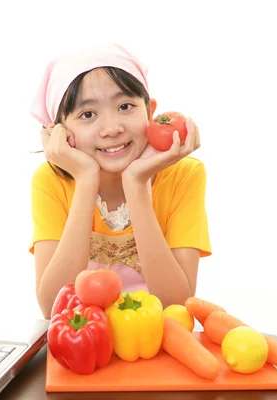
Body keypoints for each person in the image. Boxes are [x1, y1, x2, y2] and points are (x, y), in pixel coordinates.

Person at [28, 43, 211, 319]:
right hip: (84, 348)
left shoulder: (183, 175)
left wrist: (136, 184)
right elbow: (54, 308)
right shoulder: (51, 181)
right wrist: (86, 179)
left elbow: (176, 306)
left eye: (125, 106)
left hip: (157, 346)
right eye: (88, 114)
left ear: (150, 111)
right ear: (59, 131)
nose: (112, 129)